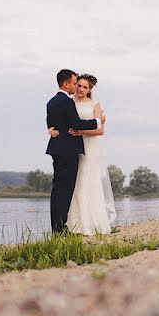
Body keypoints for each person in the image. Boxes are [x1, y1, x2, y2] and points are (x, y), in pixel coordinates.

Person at [48, 74, 117, 235]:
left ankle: (92, 222)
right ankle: (73, 223)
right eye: (78, 85)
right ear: (73, 85)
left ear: (89, 90)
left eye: (85, 87)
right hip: (71, 147)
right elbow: (60, 120)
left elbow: (100, 130)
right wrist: (50, 128)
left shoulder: (94, 104)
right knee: (73, 185)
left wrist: (81, 132)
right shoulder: (67, 102)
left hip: (89, 147)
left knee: (88, 181)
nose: (80, 89)